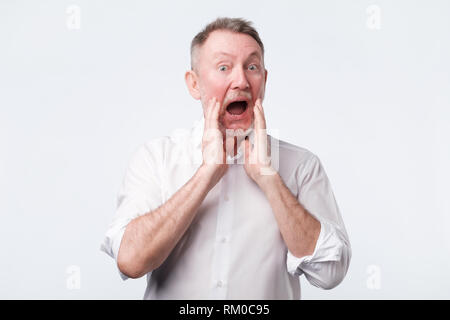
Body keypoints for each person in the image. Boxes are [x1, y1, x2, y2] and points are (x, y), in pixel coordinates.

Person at [101, 17, 351, 300]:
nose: (241, 80)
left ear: (264, 81)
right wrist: (206, 174)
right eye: (224, 67)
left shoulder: (302, 167)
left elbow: (330, 273)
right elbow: (131, 261)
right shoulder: (155, 159)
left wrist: (269, 179)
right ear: (194, 84)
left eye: (252, 67)